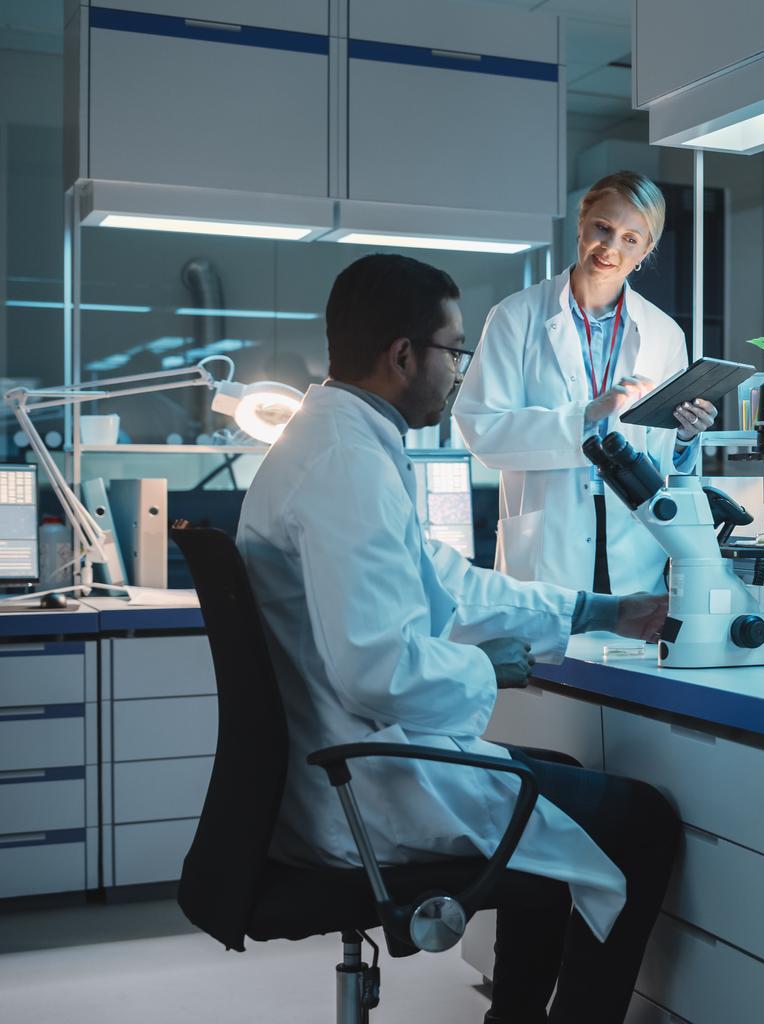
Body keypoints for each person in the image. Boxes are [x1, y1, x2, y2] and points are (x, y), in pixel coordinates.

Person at [237, 253, 680, 1023]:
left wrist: (597, 609)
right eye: (455, 350)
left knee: (561, 779)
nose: (461, 372)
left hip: (343, 762)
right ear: (403, 356)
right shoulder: (347, 463)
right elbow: (377, 669)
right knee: (644, 823)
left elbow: (444, 582)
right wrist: (485, 666)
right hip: (365, 784)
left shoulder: (338, 439)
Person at [455, 170, 717, 596]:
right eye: (603, 227)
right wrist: (586, 416)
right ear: (581, 223)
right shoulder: (516, 317)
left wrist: (685, 436)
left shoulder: (665, 333)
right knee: (550, 637)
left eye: (630, 238)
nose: (611, 248)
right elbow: (482, 431)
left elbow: (663, 460)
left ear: (646, 249)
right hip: (547, 544)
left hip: (634, 542)